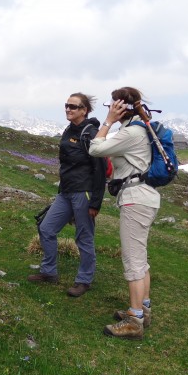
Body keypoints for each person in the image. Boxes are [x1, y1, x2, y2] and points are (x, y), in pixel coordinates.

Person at [88, 87, 160, 340]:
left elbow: (95, 149)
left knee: (133, 262)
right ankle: (144, 309)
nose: (109, 110)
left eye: (112, 106)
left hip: (135, 200)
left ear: (121, 107)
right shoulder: (139, 129)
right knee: (140, 259)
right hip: (143, 198)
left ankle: (134, 320)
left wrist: (107, 123)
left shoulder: (132, 132)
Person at [27, 93, 107, 297]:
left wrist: (95, 202)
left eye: (73, 106)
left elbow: (99, 169)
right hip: (66, 192)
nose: (68, 109)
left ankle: (84, 280)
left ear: (84, 110)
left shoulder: (91, 134)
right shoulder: (69, 130)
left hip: (84, 193)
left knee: (84, 238)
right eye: (66, 106)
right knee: (46, 228)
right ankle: (49, 272)